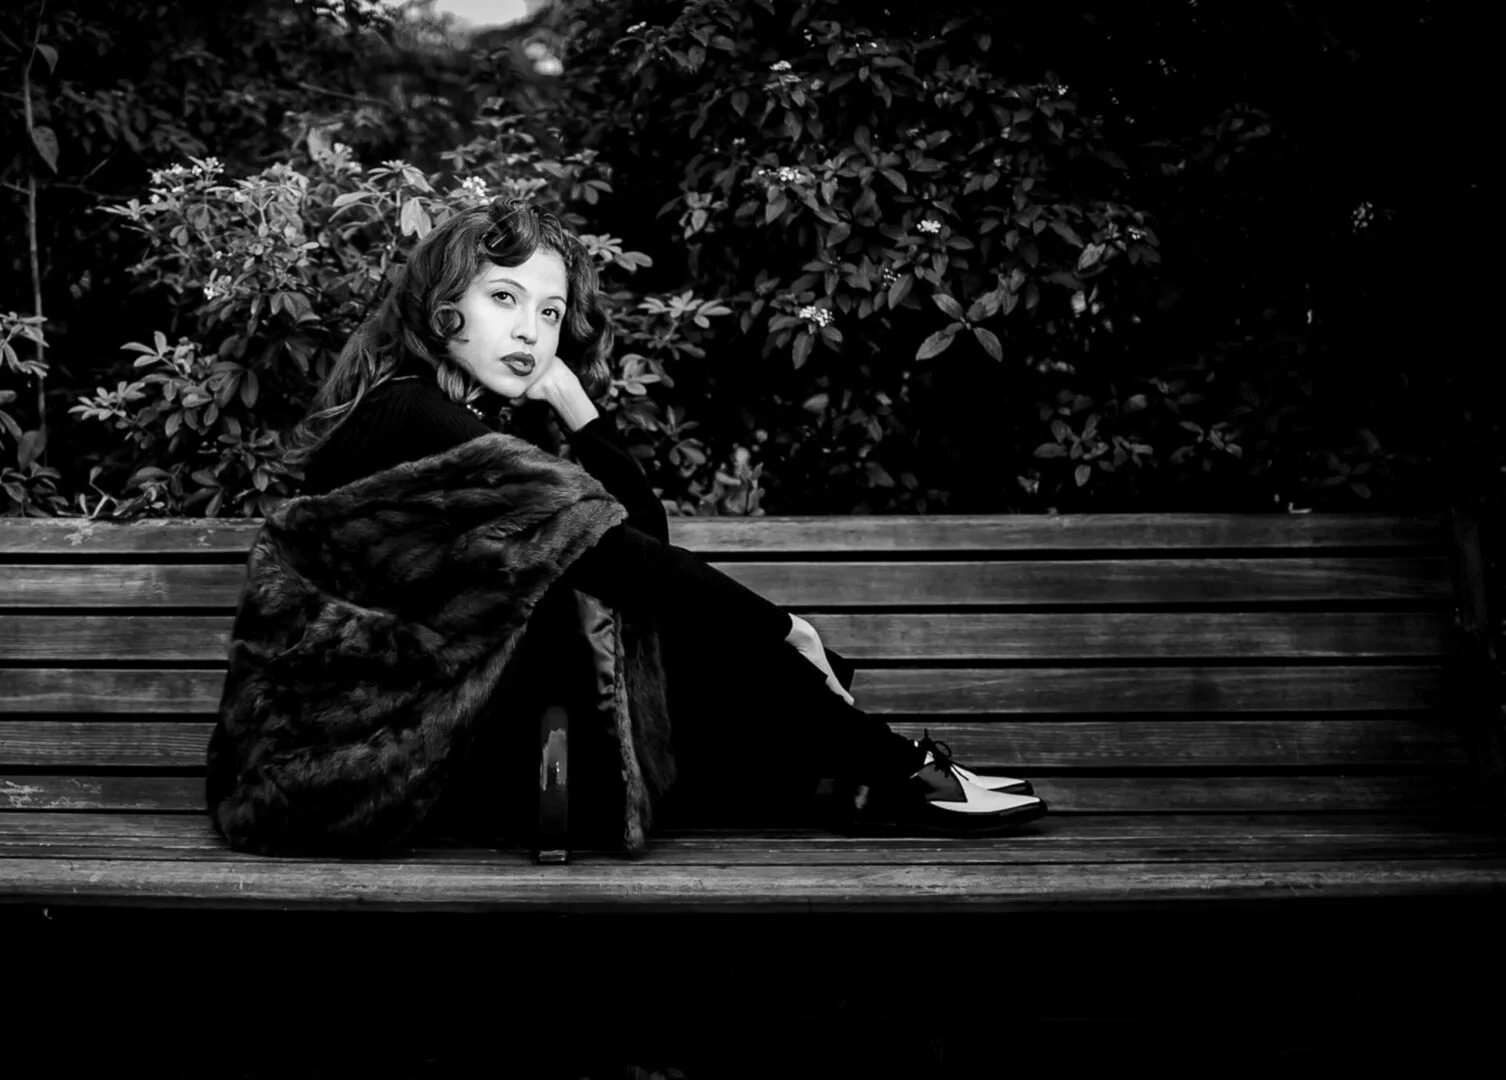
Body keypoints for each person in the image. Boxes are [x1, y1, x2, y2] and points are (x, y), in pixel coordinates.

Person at [285, 195, 1046, 841]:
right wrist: (783, 628)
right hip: (364, 764)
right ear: (441, 308)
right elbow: (623, 558)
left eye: (549, 312)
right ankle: (889, 767)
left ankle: (873, 775)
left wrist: (581, 413)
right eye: (504, 298)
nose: (529, 331)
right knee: (642, 611)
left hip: (425, 744)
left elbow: (640, 541)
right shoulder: (410, 413)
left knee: (643, 621)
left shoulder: (462, 425)